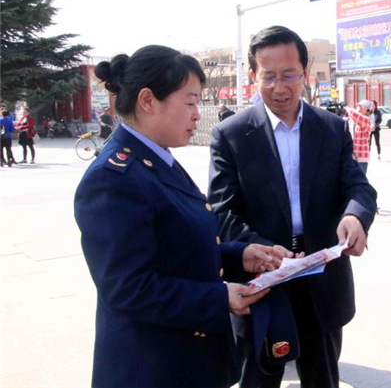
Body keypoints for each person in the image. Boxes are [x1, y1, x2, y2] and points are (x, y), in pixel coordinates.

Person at [74, 45, 294, 388]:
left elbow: (176, 250)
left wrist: (239, 255)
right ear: (148, 101)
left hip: (187, 360)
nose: (197, 115)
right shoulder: (114, 179)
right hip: (152, 367)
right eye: (190, 102)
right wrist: (219, 297)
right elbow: (129, 288)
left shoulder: (156, 158)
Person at [208, 25, 377, 388]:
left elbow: (357, 186)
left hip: (321, 277)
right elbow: (222, 211)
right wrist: (262, 250)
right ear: (253, 76)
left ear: (305, 72)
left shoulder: (331, 128)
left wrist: (354, 216)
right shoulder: (232, 134)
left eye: (289, 75)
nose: (279, 87)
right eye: (268, 76)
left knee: (323, 378)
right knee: (258, 379)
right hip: (263, 280)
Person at [345, 99, 373, 175]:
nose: (358, 108)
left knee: (360, 179)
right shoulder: (353, 121)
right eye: (358, 106)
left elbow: (355, 115)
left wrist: (346, 108)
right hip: (353, 156)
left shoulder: (367, 120)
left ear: (367, 110)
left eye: (361, 107)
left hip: (361, 158)